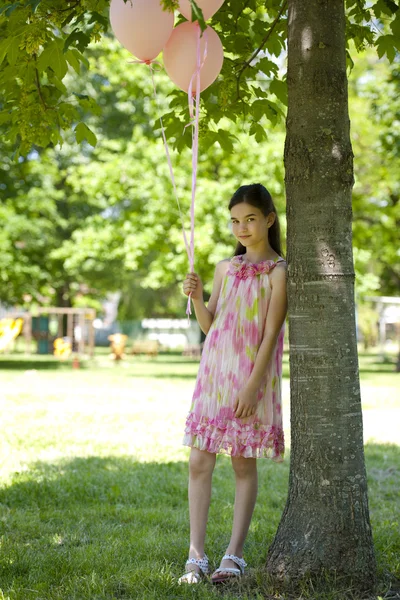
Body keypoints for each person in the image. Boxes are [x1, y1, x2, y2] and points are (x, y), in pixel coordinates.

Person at [178, 183, 288, 585]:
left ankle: (233, 555)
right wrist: (197, 297)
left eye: (251, 219)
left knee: (243, 462)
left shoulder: (279, 271)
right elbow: (211, 326)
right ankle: (196, 556)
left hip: (250, 379)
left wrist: (252, 386)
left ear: (269, 220)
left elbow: (271, 334)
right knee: (199, 460)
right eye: (235, 221)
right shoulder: (226, 267)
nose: (242, 228)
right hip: (214, 375)